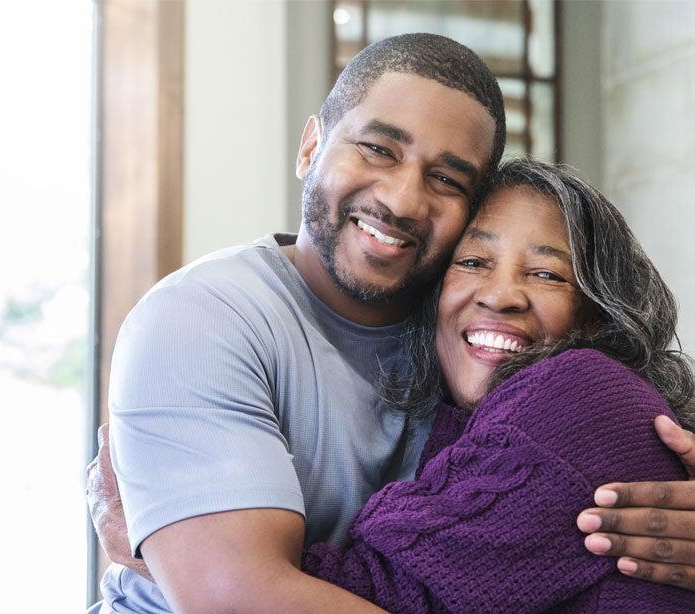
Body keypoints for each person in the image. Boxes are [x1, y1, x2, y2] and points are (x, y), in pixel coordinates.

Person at [86, 34, 695, 613]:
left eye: (447, 179)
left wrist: (192, 565)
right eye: (378, 149)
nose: (403, 200)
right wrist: (209, 570)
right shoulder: (206, 321)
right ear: (310, 147)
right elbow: (235, 599)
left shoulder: (470, 343)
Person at [300, 158, 695, 612]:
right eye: (472, 262)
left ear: (595, 316)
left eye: (547, 274)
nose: (500, 295)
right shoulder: (458, 423)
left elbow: (378, 592)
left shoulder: (580, 395)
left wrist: (244, 537)